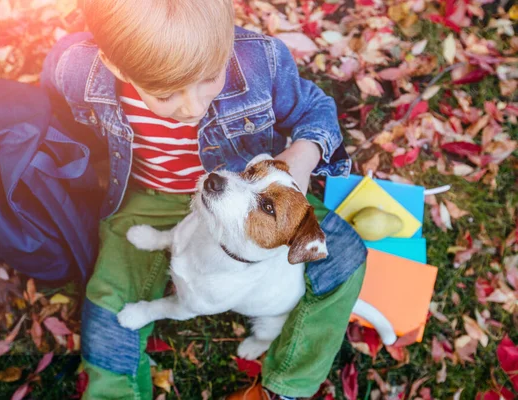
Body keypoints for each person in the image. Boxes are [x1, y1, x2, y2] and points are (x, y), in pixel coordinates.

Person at [40, 1, 367, 399]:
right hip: (150, 197)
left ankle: (287, 386)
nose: (192, 108)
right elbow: (53, 106)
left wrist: (304, 154)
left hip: (243, 190)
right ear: (117, 67)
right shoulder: (78, 69)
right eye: (165, 93)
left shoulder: (259, 59)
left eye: (210, 77)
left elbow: (315, 110)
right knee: (110, 301)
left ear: (228, 36)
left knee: (346, 255)